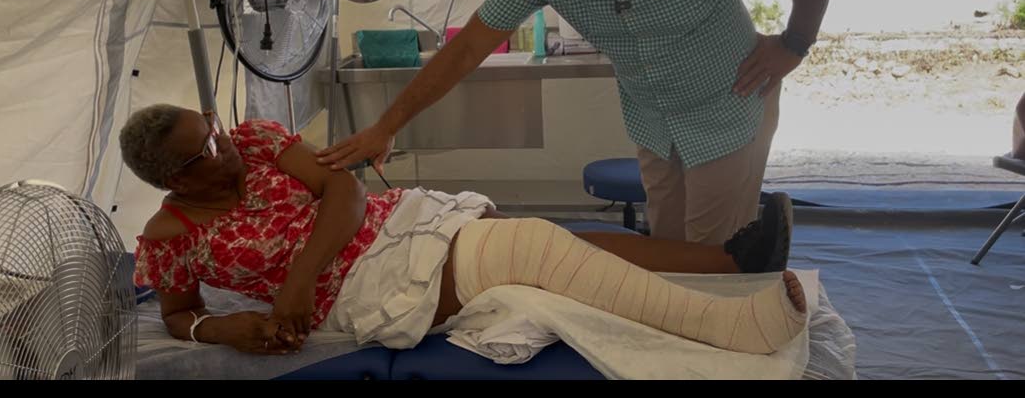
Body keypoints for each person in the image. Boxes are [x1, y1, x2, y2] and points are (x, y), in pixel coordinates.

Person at [318, 0, 838, 245]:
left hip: (727, 107)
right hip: (655, 122)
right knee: (669, 250)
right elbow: (469, 47)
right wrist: (386, 126)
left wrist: (795, 44)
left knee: (715, 256)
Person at [121, 105, 806, 357]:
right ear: (176, 179)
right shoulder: (168, 238)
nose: (226, 144)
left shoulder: (258, 139)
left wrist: (294, 281)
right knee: (534, 248)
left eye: (214, 129)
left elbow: (344, 188)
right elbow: (178, 313)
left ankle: (723, 263)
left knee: (540, 247)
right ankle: (734, 318)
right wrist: (219, 329)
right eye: (208, 148)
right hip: (357, 287)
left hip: (387, 230)